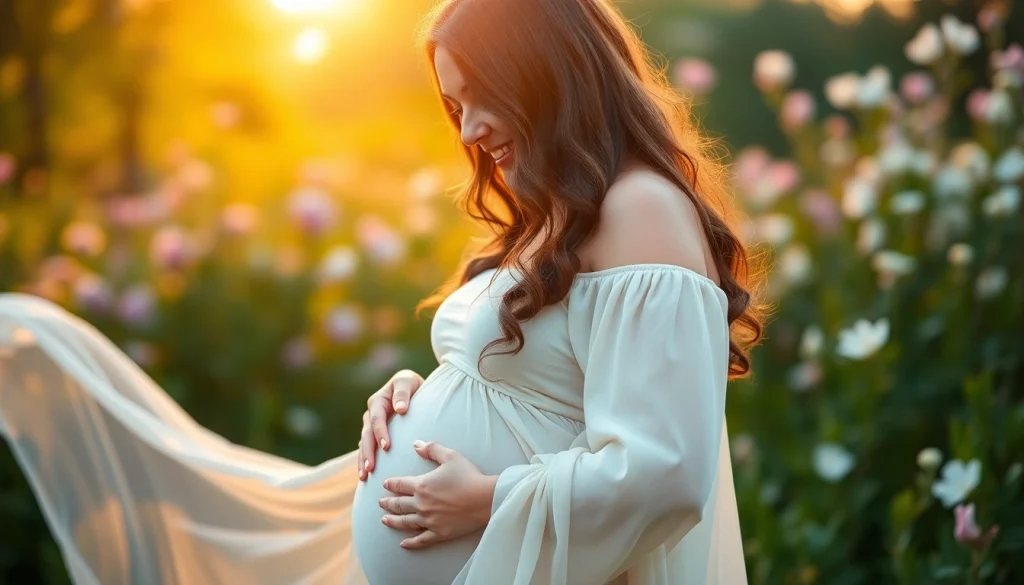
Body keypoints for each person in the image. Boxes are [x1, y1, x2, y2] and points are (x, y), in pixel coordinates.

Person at [0, 0, 765, 583]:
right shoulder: (567, 212)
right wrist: (427, 389)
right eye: (453, 109)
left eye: (477, 99)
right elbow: (553, 389)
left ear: (540, 73)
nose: (467, 135)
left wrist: (490, 498)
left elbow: (665, 469)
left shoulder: (641, 209)